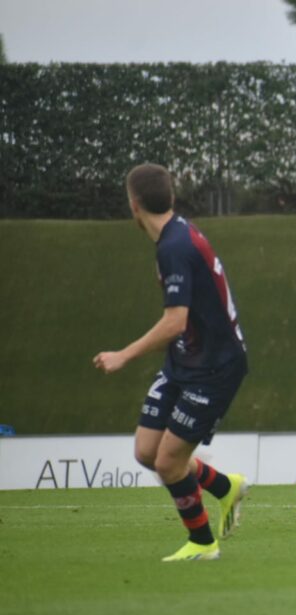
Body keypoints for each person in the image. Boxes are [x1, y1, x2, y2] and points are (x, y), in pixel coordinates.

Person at [93, 163, 250, 561]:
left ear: (133, 204)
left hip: (214, 367)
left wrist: (122, 355)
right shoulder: (175, 234)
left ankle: (203, 544)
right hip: (186, 361)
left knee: (168, 462)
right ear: (171, 198)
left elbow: (175, 321)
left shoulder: (174, 246)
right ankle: (224, 487)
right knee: (147, 452)